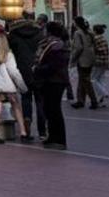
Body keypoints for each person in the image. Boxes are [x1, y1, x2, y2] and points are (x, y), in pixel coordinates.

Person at [0, 33, 31, 144]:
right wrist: (23, 87)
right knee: (17, 108)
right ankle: (23, 132)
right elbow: (14, 73)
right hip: (8, 87)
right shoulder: (8, 55)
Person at [34, 21, 70, 150]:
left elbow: (54, 65)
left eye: (45, 30)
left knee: (54, 110)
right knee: (49, 109)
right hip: (50, 80)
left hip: (55, 81)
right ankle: (52, 137)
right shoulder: (51, 44)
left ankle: (60, 139)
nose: (43, 32)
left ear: (49, 32)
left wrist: (38, 69)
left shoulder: (56, 46)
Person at [8, 12, 43, 136]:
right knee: (40, 100)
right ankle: (42, 130)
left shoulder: (13, 34)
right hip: (38, 69)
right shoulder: (40, 33)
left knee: (26, 97)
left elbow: (10, 50)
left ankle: (27, 119)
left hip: (22, 69)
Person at [69, 16, 97, 109]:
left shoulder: (78, 33)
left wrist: (73, 58)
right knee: (82, 80)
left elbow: (78, 47)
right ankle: (80, 100)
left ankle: (93, 100)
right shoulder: (90, 32)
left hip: (82, 59)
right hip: (90, 57)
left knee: (85, 80)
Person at [90, 24, 109, 106]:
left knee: (93, 79)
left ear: (95, 31)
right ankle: (100, 97)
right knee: (101, 79)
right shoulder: (103, 38)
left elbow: (93, 49)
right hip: (105, 61)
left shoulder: (95, 39)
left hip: (98, 61)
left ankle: (104, 93)